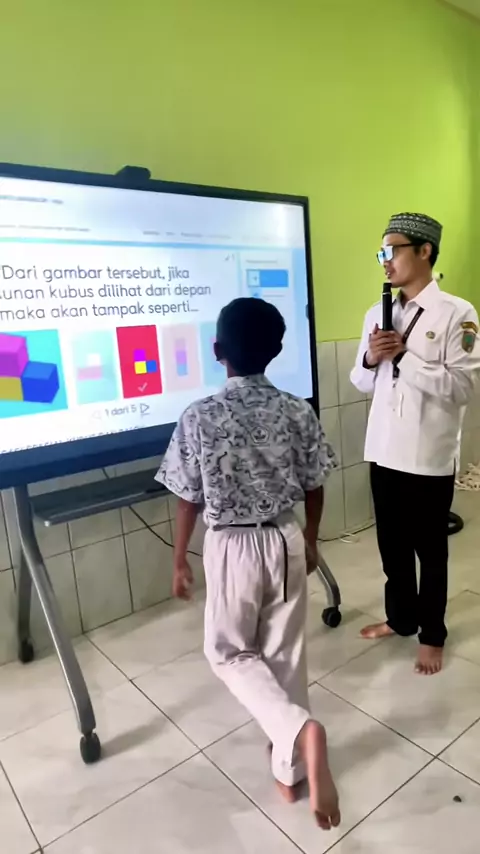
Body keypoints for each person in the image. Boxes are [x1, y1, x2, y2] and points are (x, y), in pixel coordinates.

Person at [157, 297, 340, 830]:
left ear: (217, 350)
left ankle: (300, 732)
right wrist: (310, 540)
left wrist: (179, 560)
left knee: (229, 651)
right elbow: (315, 485)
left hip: (232, 545)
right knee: (286, 655)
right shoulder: (297, 409)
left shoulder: (199, 416)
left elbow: (188, 499)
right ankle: (290, 773)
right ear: (277, 351)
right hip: (285, 537)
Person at [351, 212, 480, 675]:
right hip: (383, 449)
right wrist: (372, 358)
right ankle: (401, 618)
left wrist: (405, 356)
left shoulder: (458, 313)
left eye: (393, 251)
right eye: (381, 253)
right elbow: (359, 380)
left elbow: (462, 388)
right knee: (392, 546)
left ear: (424, 251)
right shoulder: (377, 312)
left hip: (428, 456)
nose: (385, 261)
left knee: (430, 550)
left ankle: (432, 634)